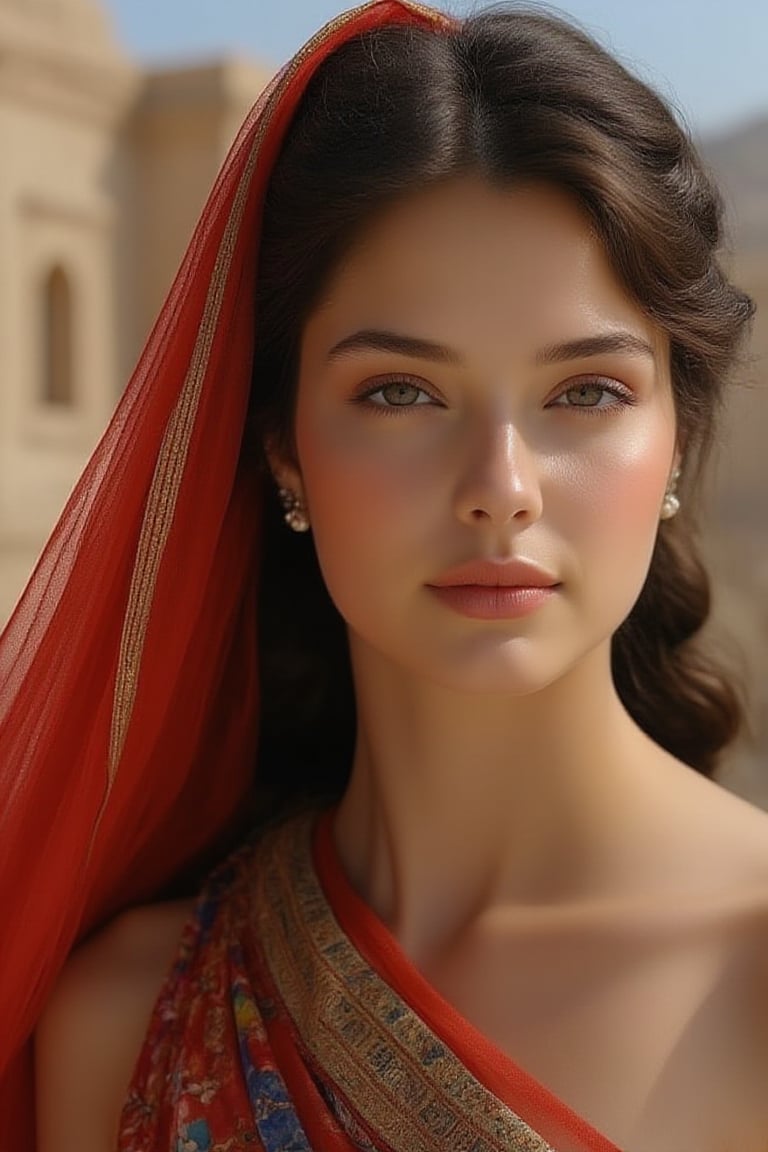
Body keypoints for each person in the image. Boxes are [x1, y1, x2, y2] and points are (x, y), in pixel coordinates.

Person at [1, 0, 765, 1148]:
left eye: (586, 392)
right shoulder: (127, 1025)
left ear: (675, 440)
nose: (500, 484)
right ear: (281, 450)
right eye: (400, 392)